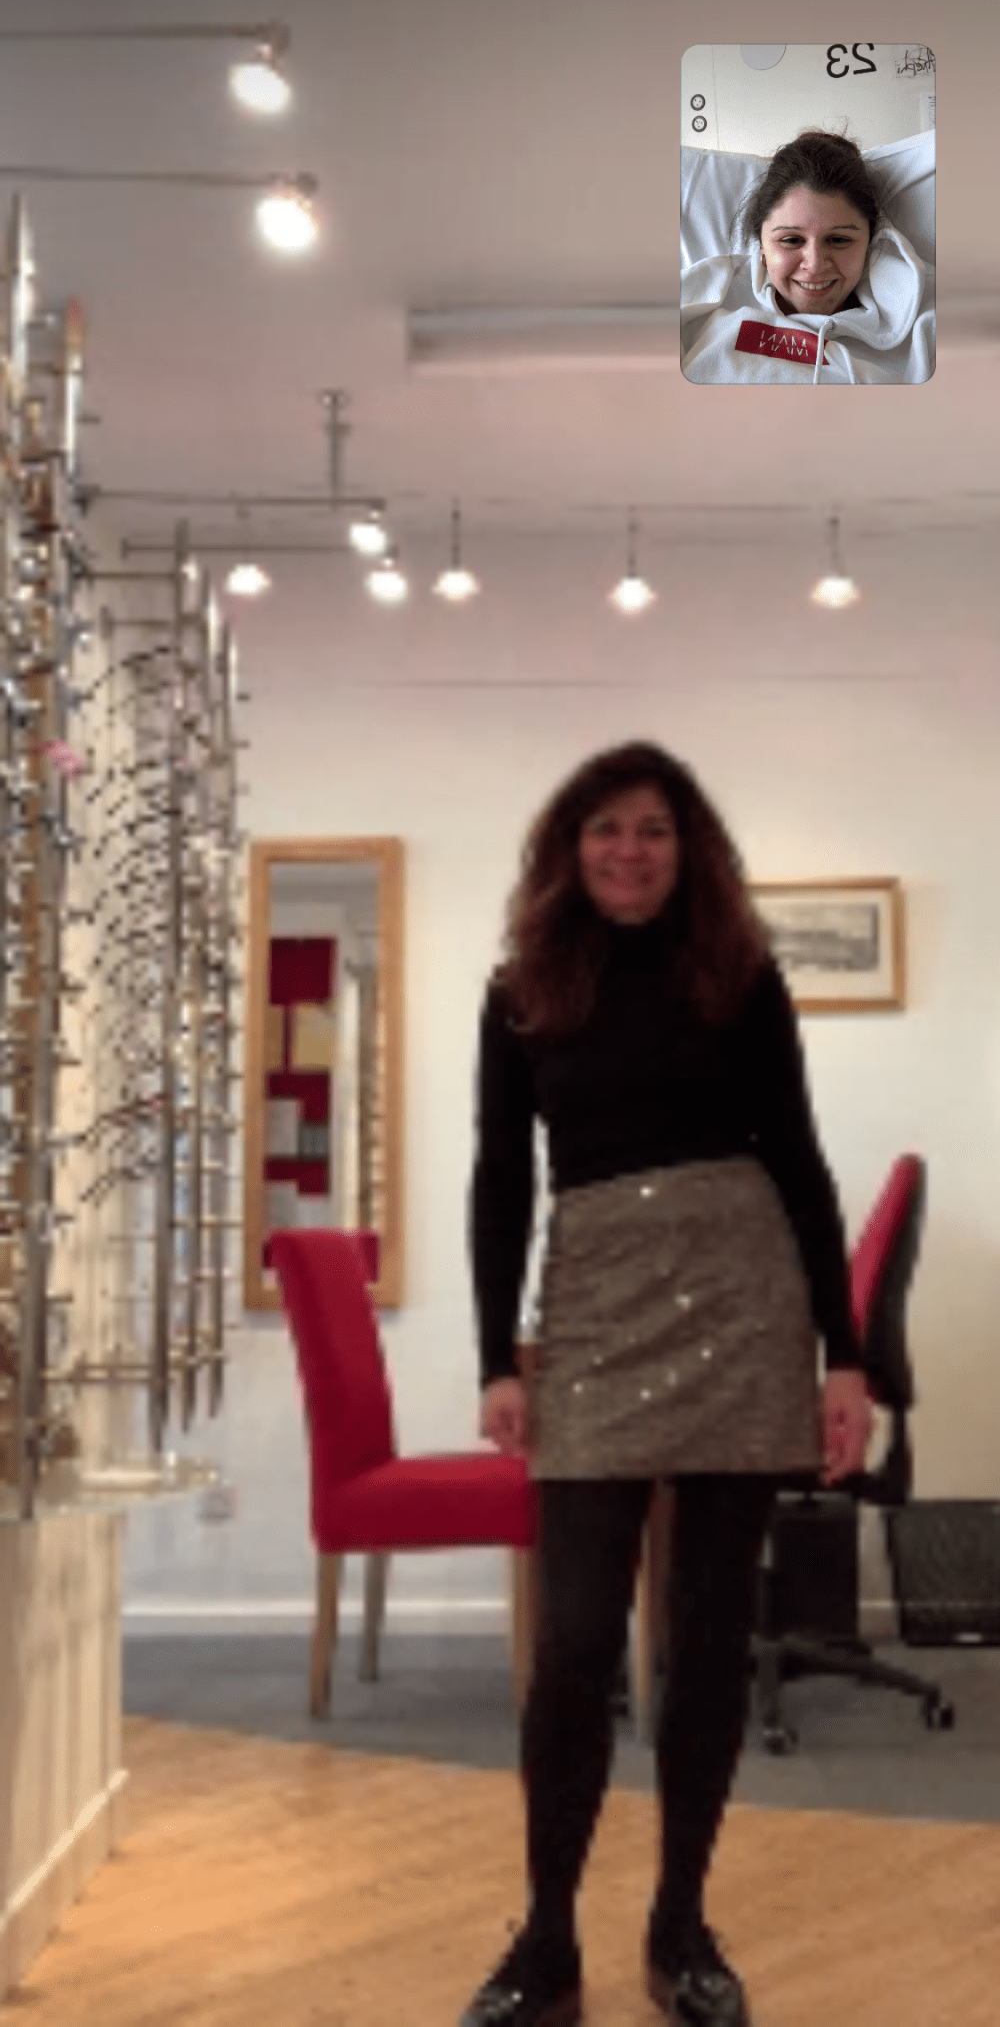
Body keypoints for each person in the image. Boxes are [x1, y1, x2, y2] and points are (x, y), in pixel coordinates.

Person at [461, 741, 871, 2027]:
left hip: (744, 1304)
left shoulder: (741, 976)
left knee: (704, 1639)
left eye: (651, 828)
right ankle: (545, 1937)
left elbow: (799, 1160)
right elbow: (500, 1178)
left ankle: (681, 1922)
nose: (628, 850)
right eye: (605, 828)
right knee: (576, 1640)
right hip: (594, 1316)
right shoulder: (520, 989)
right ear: (567, 847)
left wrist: (845, 1352)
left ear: (686, 848)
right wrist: (495, 1356)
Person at [681, 129, 934, 384]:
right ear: (762, 246)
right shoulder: (710, 290)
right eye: (791, 240)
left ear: (869, 244)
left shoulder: (925, 329)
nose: (814, 265)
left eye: (839, 240)